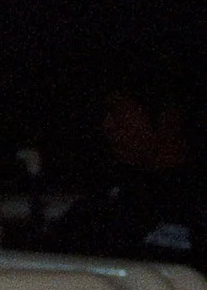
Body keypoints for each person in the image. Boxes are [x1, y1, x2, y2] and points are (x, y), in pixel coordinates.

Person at [54, 67, 206, 271]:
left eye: (118, 111)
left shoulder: (195, 201)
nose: (107, 125)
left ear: (168, 118)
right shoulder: (108, 197)